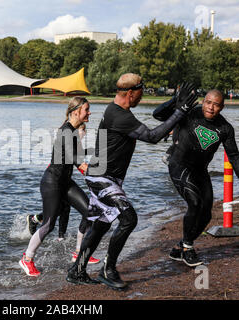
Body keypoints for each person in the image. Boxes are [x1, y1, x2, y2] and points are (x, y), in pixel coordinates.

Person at [66, 74, 199, 289]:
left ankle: (76, 270)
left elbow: (155, 123)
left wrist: (174, 102)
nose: (142, 97)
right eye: (141, 93)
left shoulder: (116, 110)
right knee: (129, 219)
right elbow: (153, 136)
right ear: (131, 93)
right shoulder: (120, 116)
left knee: (100, 225)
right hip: (102, 178)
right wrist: (180, 112)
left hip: (103, 176)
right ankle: (108, 269)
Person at [154, 89, 239, 267]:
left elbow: (234, 154)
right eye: (208, 102)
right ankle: (187, 247)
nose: (211, 107)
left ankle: (180, 247)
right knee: (195, 203)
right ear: (203, 101)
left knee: (206, 213)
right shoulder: (190, 113)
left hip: (200, 170)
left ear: (222, 107)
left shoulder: (225, 128)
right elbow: (158, 115)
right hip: (179, 164)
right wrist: (174, 100)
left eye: (216, 104)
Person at [19, 97, 98, 277]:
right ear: (76, 111)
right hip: (52, 182)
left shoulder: (73, 131)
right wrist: (100, 177)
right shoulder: (66, 132)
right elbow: (80, 164)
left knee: (89, 211)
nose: (89, 112)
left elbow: (79, 160)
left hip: (65, 182)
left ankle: (78, 253)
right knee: (48, 225)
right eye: (87, 109)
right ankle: (27, 258)